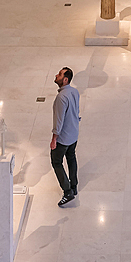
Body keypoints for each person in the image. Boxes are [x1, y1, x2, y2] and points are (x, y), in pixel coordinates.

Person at [51, 66, 80, 207]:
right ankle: (74, 186)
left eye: (60, 74)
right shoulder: (75, 92)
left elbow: (59, 120)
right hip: (74, 133)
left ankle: (67, 191)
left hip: (64, 137)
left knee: (56, 162)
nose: (56, 75)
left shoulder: (61, 97)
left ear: (65, 79)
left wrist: (54, 139)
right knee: (71, 157)